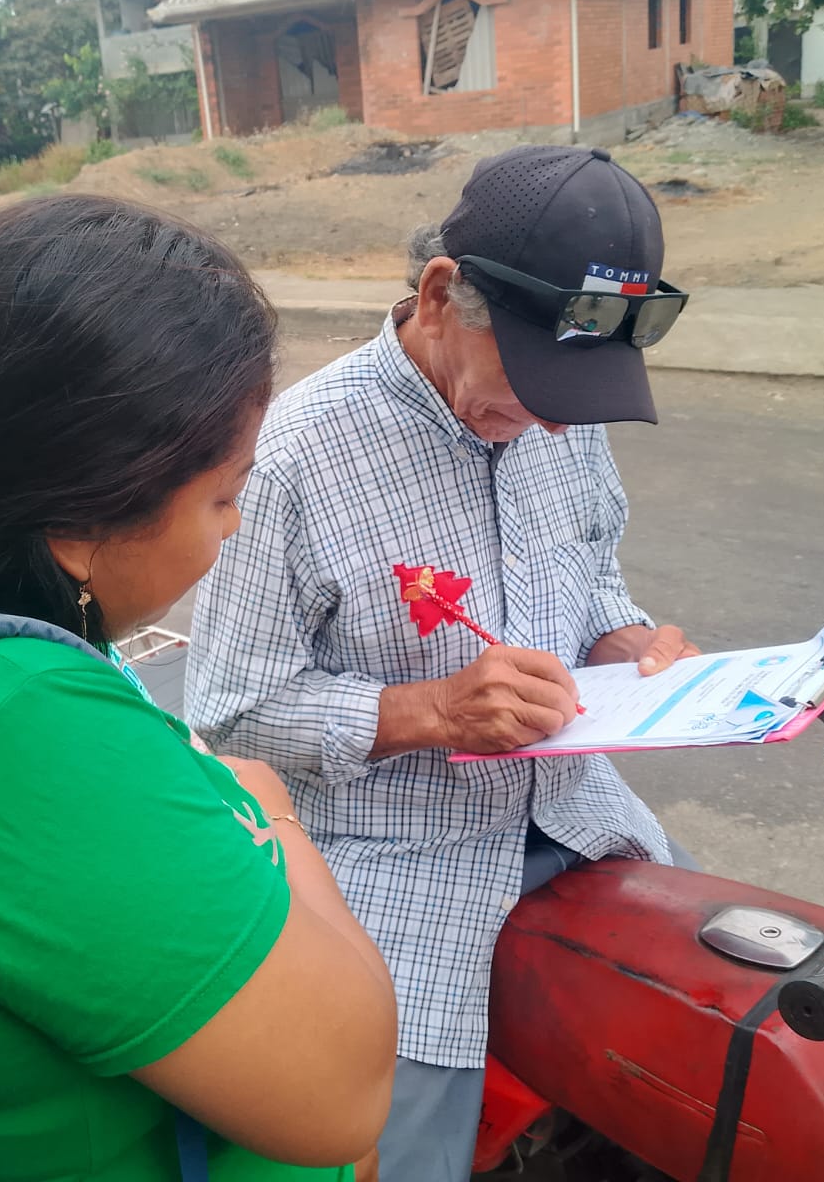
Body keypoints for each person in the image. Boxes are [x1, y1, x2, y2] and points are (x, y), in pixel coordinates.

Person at [0, 194, 397, 1182]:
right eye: (224, 495)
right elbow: (344, 1096)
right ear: (83, 523)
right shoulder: (13, 728)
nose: (234, 525)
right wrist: (273, 813)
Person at [185, 145, 699, 1181]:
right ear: (439, 296)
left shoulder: (560, 415)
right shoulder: (294, 457)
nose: (551, 419)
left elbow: (591, 568)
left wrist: (626, 643)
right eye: (536, 384)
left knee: (715, 1051)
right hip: (398, 868)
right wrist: (431, 713)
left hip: (578, 817)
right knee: (386, 1150)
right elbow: (232, 711)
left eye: (573, 393)